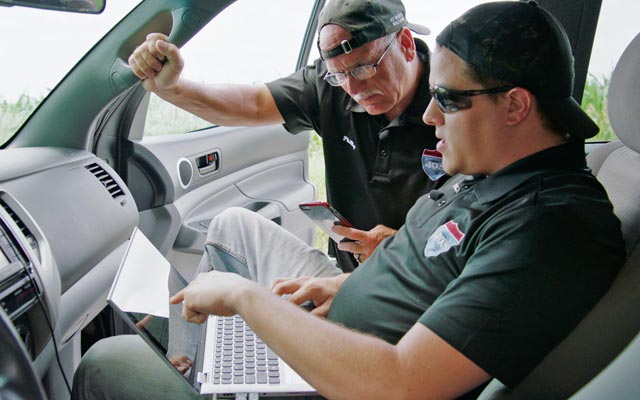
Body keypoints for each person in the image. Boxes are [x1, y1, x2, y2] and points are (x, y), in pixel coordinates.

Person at [73, 1, 626, 399]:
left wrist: (248, 299)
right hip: (343, 328)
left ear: (515, 106)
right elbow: (429, 269)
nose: (432, 117)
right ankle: (205, 369)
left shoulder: (550, 224)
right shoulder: (492, 176)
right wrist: (340, 284)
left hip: (354, 376)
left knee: (108, 361)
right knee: (233, 229)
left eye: (449, 101)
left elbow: (401, 385)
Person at [128, 0, 443, 272]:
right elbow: (254, 103)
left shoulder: (455, 102)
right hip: (349, 282)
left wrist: (403, 249)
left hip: (418, 289)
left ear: (405, 43)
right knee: (231, 225)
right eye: (339, 75)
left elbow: (484, 224)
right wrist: (173, 88)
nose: (353, 89)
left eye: (363, 68)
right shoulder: (329, 87)